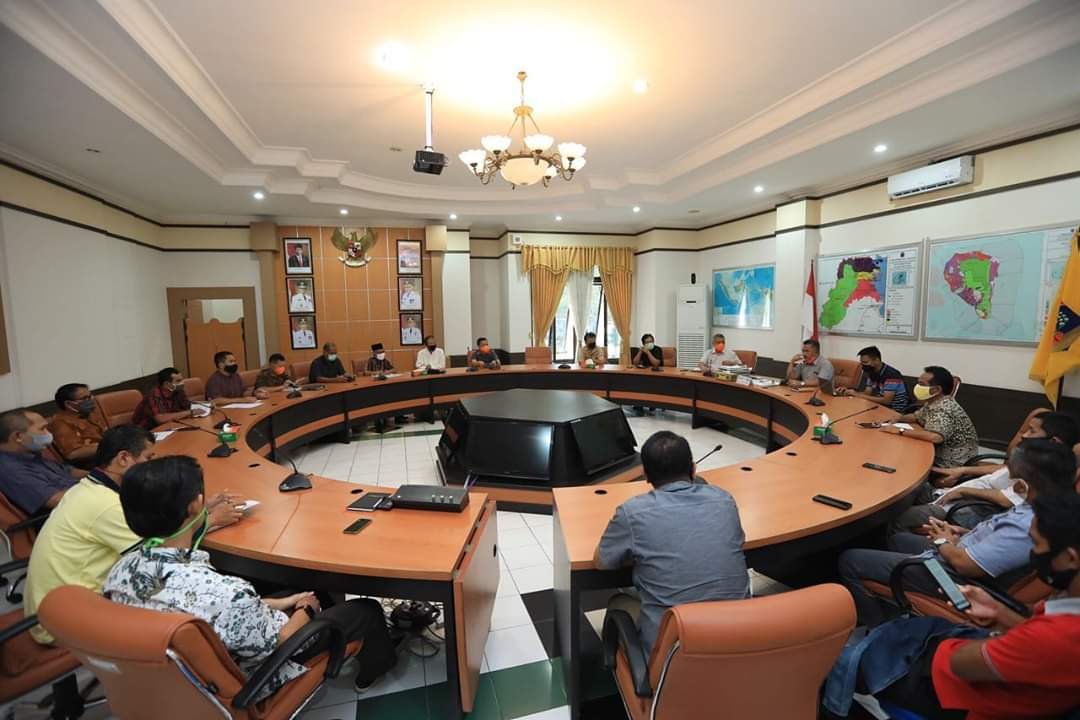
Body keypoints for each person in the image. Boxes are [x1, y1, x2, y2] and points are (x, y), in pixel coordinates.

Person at [102, 456, 397, 696]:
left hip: (178, 678)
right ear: (195, 505)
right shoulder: (225, 592)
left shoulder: (121, 570)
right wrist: (306, 609)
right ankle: (376, 668)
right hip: (250, 673)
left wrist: (280, 603)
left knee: (292, 590)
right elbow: (279, 641)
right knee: (366, 610)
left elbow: (210, 611)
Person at [825, 492, 1080, 720]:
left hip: (954, 690)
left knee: (839, 664)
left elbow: (960, 663)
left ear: (1070, 558)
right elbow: (1028, 638)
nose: (1033, 553)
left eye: (1037, 543)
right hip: (988, 666)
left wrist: (995, 633)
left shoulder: (1054, 639)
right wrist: (1000, 613)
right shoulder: (1064, 613)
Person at [24, 426, 243, 645]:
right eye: (148, 457)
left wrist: (196, 507)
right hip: (67, 622)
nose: (153, 464)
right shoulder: (106, 505)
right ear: (123, 458)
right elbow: (163, 555)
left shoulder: (89, 489)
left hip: (58, 608)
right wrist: (211, 519)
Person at [838, 438, 1076, 627]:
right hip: (961, 549)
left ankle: (881, 629)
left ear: (1022, 484)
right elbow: (999, 539)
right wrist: (963, 533)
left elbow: (965, 566)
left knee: (850, 560)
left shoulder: (1030, 523)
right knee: (899, 539)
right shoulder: (1044, 505)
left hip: (957, 578)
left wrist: (944, 542)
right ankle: (893, 598)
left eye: (1012, 474)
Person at [595, 431, 749, 656]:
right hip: (740, 642)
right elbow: (739, 541)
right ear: (693, 469)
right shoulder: (724, 499)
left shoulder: (633, 512)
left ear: (646, 475)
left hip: (674, 657)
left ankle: (624, 668)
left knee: (619, 601)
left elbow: (602, 562)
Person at [892, 411, 1078, 533]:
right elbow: (1003, 469)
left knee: (896, 518)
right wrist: (963, 469)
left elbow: (1007, 500)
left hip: (963, 507)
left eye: (1032, 431)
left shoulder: (1047, 472)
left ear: (1053, 442)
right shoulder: (1034, 459)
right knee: (908, 486)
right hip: (953, 494)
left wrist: (964, 491)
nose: (1024, 435)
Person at [880, 366, 978, 469]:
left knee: (899, 461)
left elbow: (936, 437)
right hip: (940, 453)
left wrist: (900, 430)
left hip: (952, 462)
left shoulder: (944, 408)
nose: (917, 387)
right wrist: (899, 418)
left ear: (937, 389)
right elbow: (917, 416)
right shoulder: (934, 401)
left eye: (922, 384)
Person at [0, 410, 82, 515]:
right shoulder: (10, 469)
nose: (48, 434)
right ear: (18, 436)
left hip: (82, 495)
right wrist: (94, 488)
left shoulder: (30, 454)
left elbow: (68, 471)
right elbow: (55, 500)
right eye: (42, 429)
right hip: (70, 511)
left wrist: (97, 476)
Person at [48, 383, 105, 464]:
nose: (90, 400)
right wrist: (108, 447)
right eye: (84, 398)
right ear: (69, 404)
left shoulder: (88, 413)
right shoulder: (60, 422)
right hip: (90, 462)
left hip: (106, 454)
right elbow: (72, 454)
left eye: (90, 396)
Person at [842, 346, 909, 411]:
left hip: (895, 410)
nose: (863, 366)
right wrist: (850, 392)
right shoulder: (871, 371)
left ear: (877, 360)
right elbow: (867, 393)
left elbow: (886, 401)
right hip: (879, 406)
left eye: (865, 362)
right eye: (861, 363)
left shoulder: (891, 375)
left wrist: (856, 394)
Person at [132, 368, 196, 429]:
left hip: (169, 426)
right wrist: (190, 412)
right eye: (178, 381)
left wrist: (191, 411)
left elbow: (187, 407)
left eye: (182, 380)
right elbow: (161, 419)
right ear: (166, 384)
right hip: (146, 430)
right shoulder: (154, 395)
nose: (182, 383)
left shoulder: (178, 391)